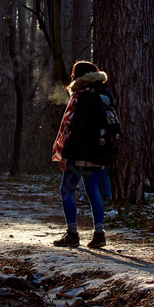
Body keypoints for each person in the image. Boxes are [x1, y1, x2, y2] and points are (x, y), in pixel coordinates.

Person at [51, 61, 112, 248]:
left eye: (73, 75)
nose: (71, 79)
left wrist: (66, 155)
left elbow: (77, 129)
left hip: (79, 156)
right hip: (96, 154)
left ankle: (72, 234)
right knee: (93, 190)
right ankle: (99, 234)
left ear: (79, 77)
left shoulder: (81, 97)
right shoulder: (103, 95)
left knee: (66, 191)